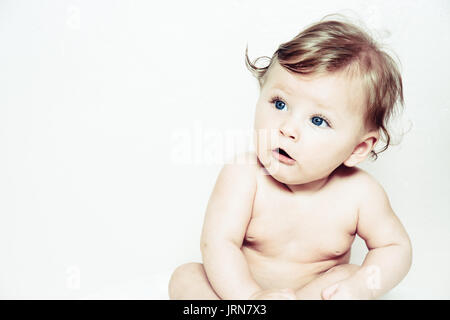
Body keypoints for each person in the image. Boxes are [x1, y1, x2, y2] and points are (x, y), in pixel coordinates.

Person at [169, 14, 412, 300]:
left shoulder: (360, 194)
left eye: (318, 120)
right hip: (239, 296)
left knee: (349, 275)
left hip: (311, 296)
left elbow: (395, 248)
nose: (287, 128)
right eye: (280, 103)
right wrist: (251, 298)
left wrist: (362, 286)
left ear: (357, 149)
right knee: (186, 277)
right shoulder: (245, 175)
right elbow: (218, 244)